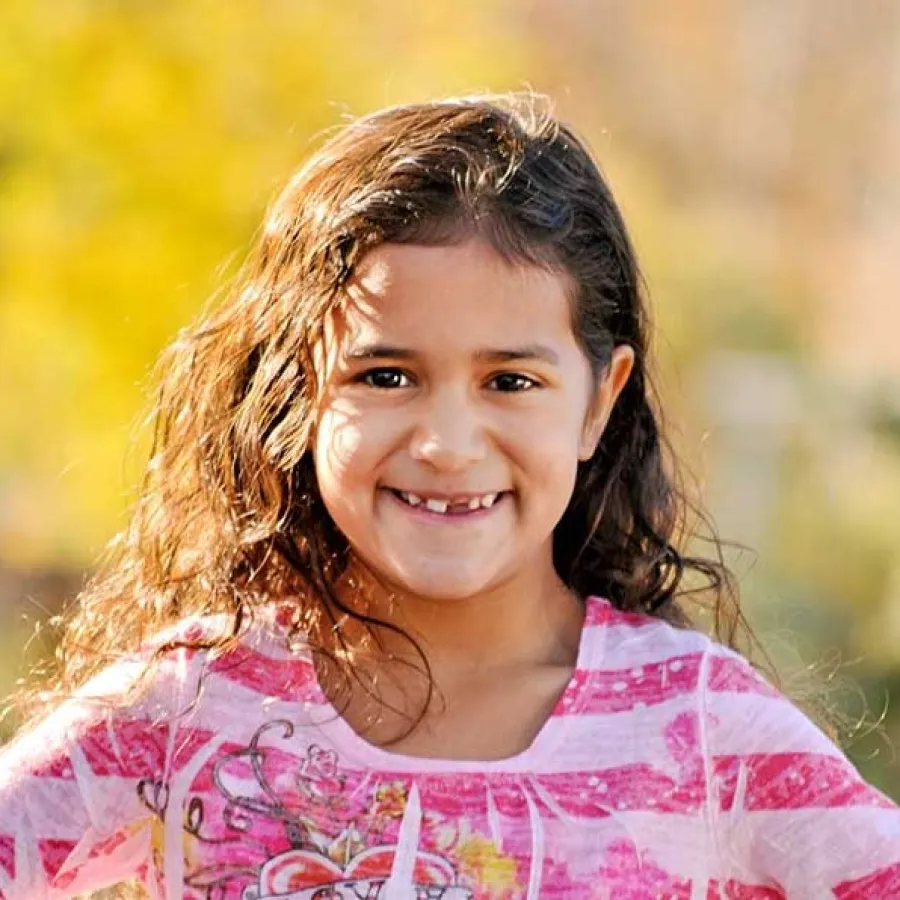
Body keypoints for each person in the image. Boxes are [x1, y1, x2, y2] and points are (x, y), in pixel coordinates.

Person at [0, 93, 897, 900]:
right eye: (387, 375)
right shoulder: (186, 712)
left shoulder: (705, 737)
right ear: (302, 392)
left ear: (600, 402)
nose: (445, 444)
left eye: (510, 382)